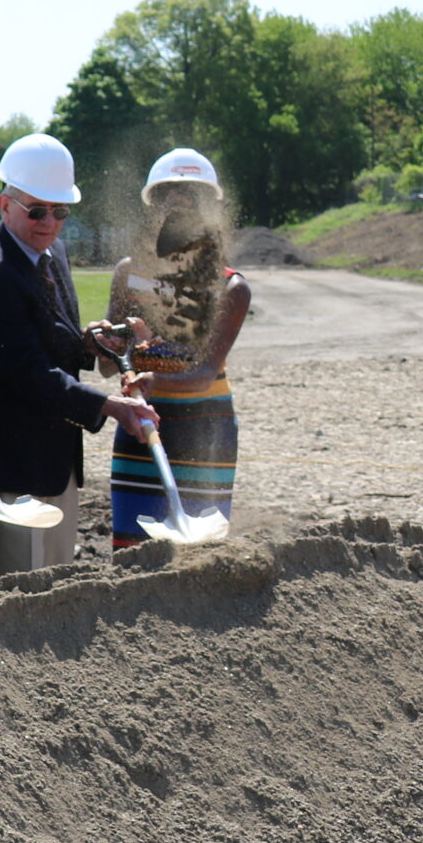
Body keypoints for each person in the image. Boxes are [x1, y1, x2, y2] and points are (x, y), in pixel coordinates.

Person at [0, 133, 159, 578]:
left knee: (55, 582)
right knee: (14, 592)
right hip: (13, 469)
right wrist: (109, 406)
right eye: (37, 210)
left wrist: (87, 343)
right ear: (5, 204)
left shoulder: (52, 253)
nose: (49, 222)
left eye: (60, 211)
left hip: (56, 462)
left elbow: (50, 335)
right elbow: (27, 372)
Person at [102, 148, 249, 547]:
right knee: (133, 551)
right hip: (140, 424)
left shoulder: (232, 288)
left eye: (190, 194)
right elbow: (108, 365)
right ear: (155, 207)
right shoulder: (128, 274)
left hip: (206, 428)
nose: (179, 202)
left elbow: (203, 374)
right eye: (169, 193)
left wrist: (149, 377)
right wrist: (107, 343)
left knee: (202, 557)